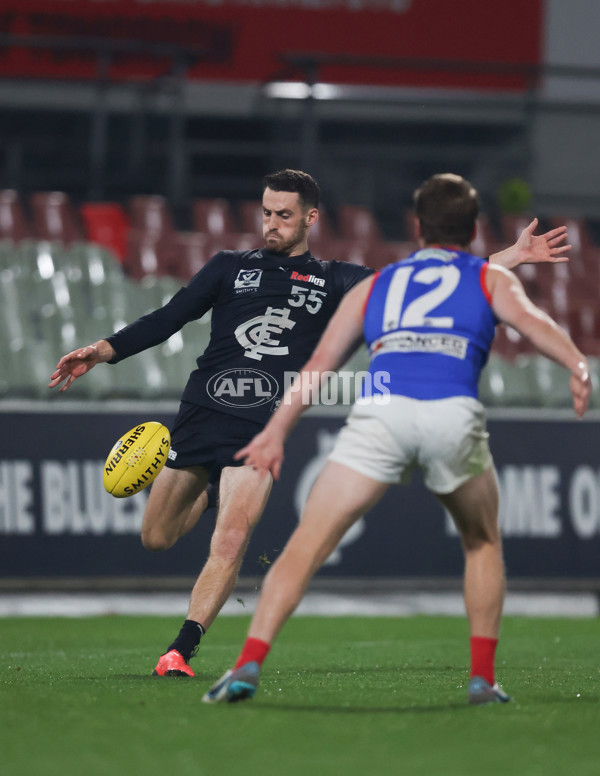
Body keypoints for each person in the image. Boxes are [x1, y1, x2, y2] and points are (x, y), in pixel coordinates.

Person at [48, 170, 572, 679]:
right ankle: (208, 493)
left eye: (283, 215)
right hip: (200, 413)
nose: (270, 223)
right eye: (266, 213)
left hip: (257, 428)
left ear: (310, 218)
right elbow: (168, 317)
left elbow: (424, 283)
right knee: (157, 536)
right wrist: (101, 351)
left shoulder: (336, 279)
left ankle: (179, 650)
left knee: (231, 539)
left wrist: (512, 257)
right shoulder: (229, 265)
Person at [203, 173, 591, 706]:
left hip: (382, 415)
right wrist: (576, 365)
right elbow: (531, 322)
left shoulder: (378, 284)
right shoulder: (486, 278)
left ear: (416, 226)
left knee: (306, 544)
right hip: (452, 414)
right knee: (481, 542)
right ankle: (482, 678)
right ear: (473, 228)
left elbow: (318, 367)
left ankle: (247, 665)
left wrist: (274, 433)